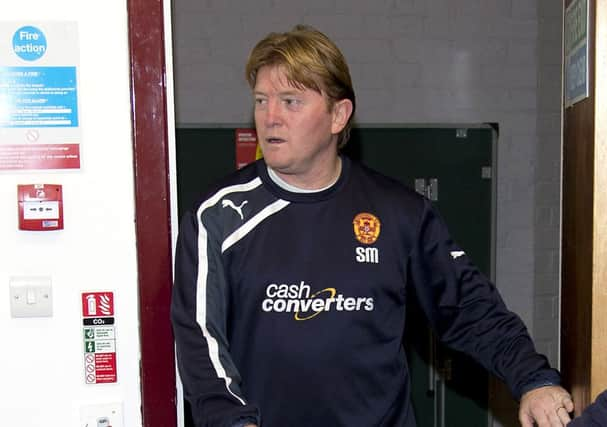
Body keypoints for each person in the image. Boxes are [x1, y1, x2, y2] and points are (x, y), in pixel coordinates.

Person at [171, 24, 574, 427]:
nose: (270, 117)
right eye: (262, 100)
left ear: (338, 115)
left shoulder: (400, 213)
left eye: (291, 101)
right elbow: (199, 340)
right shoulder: (219, 215)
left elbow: (468, 307)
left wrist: (533, 378)